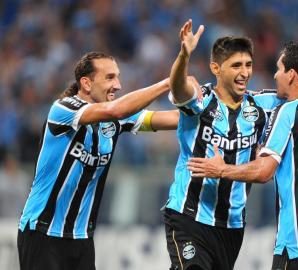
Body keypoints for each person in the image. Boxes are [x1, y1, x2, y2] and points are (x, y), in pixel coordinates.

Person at [163, 19, 298, 270]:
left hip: (231, 225)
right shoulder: (202, 99)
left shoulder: (263, 105)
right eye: (236, 65)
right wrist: (183, 57)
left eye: (248, 65)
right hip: (189, 214)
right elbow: (180, 90)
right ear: (216, 68)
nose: (245, 72)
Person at [17, 51, 180, 270]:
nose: (118, 85)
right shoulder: (63, 110)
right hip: (42, 232)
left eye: (118, 77)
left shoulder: (116, 120)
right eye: (110, 77)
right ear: (86, 83)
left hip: (82, 237)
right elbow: (116, 109)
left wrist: (205, 106)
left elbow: (171, 119)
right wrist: (168, 83)